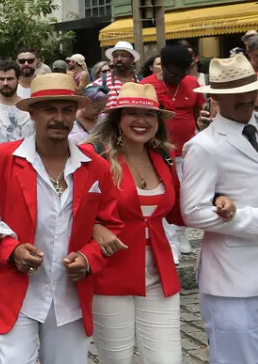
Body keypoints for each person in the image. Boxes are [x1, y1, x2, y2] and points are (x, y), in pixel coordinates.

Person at [0, 74, 124, 364]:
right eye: (50, 109)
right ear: (32, 112)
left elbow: (110, 223)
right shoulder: (0, 159)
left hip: (68, 293)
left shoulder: (95, 166)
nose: (59, 118)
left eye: (66, 109)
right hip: (14, 290)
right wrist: (10, 251)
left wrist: (88, 259)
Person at [85, 83, 223, 364]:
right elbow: (71, 211)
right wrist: (95, 228)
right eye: (132, 113)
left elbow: (177, 210)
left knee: (167, 359)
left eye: (149, 114)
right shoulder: (93, 155)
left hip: (159, 274)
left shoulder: (163, 156)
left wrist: (218, 199)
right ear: (118, 118)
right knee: (118, 360)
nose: (141, 121)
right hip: (111, 275)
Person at [181, 54, 258, 363]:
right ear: (215, 98)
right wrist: (245, 217)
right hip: (231, 280)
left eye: (249, 89)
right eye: (233, 94)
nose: (245, 98)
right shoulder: (203, 146)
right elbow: (193, 211)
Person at [142, 44, 205, 257]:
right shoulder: (147, 86)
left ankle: (181, 235)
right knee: (165, 197)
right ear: (163, 67)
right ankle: (170, 242)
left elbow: (198, 116)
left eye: (183, 73)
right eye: (173, 73)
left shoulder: (192, 83)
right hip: (157, 152)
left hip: (187, 152)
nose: (178, 78)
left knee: (186, 196)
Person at [69, 85, 110, 149]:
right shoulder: (70, 121)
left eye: (102, 109)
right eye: (97, 109)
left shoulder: (103, 120)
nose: (99, 112)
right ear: (86, 103)